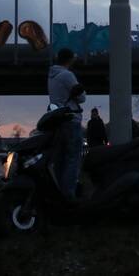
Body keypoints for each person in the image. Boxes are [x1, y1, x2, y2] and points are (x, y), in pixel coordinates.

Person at [47, 48, 86, 202]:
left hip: (58, 120)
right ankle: (68, 196)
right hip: (71, 119)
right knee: (72, 159)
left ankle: (58, 193)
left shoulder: (51, 76)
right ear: (70, 59)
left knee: (60, 159)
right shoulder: (67, 75)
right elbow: (82, 98)